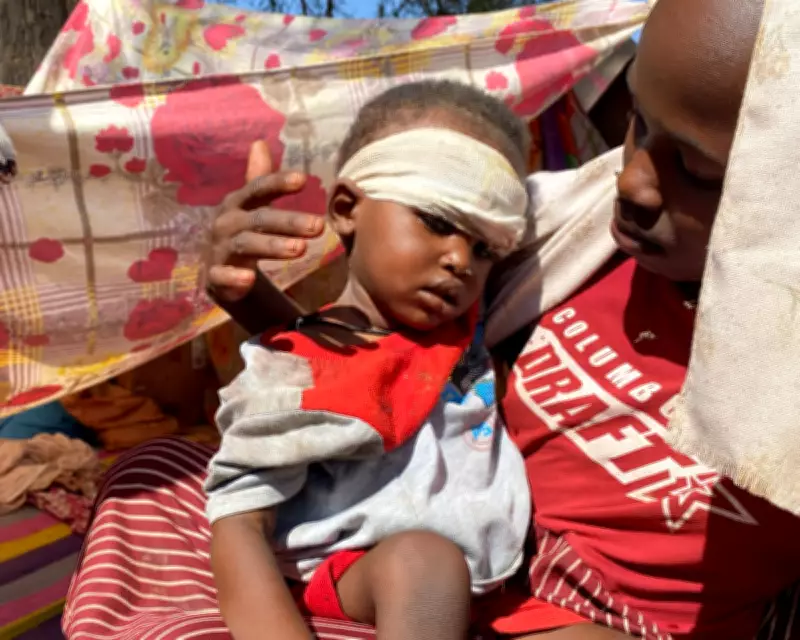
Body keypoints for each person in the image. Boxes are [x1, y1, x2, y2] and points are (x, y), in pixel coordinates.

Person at [62, 0, 800, 639]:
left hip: (564, 614)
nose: (631, 181)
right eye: (636, 125)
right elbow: (375, 370)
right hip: (410, 569)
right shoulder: (562, 239)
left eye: (697, 170)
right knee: (153, 474)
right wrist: (251, 300)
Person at [206, 81, 533, 640]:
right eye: (436, 219)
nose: (461, 259)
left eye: (485, 248)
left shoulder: (468, 333)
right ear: (345, 209)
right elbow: (240, 517)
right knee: (425, 565)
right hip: (357, 571)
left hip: (489, 587)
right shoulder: (298, 370)